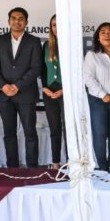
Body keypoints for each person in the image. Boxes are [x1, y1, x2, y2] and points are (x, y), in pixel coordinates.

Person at [0, 7, 44, 168]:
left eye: (21, 18)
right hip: (5, 94)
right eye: (13, 18)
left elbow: (36, 67)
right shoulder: (0, 40)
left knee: (30, 133)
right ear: (9, 21)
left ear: (26, 22)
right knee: (9, 133)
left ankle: (32, 167)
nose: (17, 21)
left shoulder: (34, 41)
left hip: (26, 93)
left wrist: (17, 86)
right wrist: (3, 86)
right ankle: (12, 166)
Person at [84, 23, 110, 172]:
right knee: (99, 135)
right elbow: (88, 78)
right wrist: (103, 94)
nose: (107, 35)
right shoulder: (92, 55)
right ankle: (102, 167)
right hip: (97, 101)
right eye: (103, 32)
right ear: (98, 37)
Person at [41, 14, 65, 169]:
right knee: (54, 128)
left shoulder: (72, 43)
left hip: (66, 92)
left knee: (69, 130)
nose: (56, 28)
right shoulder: (45, 45)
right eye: (54, 25)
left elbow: (77, 71)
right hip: (49, 91)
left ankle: (73, 161)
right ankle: (56, 162)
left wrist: (65, 90)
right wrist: (44, 88)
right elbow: (42, 69)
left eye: (59, 24)